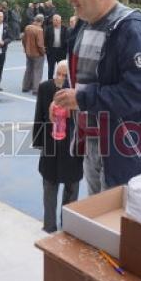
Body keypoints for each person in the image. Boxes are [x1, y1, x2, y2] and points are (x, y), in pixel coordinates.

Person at [53, 0, 141, 195]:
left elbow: (138, 93)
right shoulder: (83, 26)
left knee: (121, 221)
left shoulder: (132, 30)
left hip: (129, 150)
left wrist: (82, 99)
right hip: (95, 144)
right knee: (100, 214)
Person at [33, 60, 83, 233]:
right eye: (58, 74)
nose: (61, 78)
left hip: (72, 147)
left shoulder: (78, 92)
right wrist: (39, 142)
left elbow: (85, 121)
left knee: (72, 187)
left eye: (65, 75)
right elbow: (38, 116)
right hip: (50, 146)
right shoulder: (45, 88)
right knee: (49, 186)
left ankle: (68, 226)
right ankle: (49, 226)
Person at [22, 14, 46, 94]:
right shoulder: (39, 30)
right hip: (37, 54)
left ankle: (25, 87)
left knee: (28, 69)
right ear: (41, 21)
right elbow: (40, 44)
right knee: (38, 71)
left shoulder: (27, 27)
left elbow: (23, 40)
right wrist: (43, 52)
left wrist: (25, 49)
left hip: (28, 52)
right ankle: (36, 89)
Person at [44, 14, 68, 80]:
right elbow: (45, 40)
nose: (55, 21)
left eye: (57, 20)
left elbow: (67, 40)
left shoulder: (65, 29)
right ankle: (50, 82)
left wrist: (65, 50)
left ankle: (62, 82)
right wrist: (47, 50)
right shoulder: (48, 28)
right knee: (50, 69)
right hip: (51, 52)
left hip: (61, 52)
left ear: (60, 20)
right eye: (54, 20)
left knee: (62, 69)